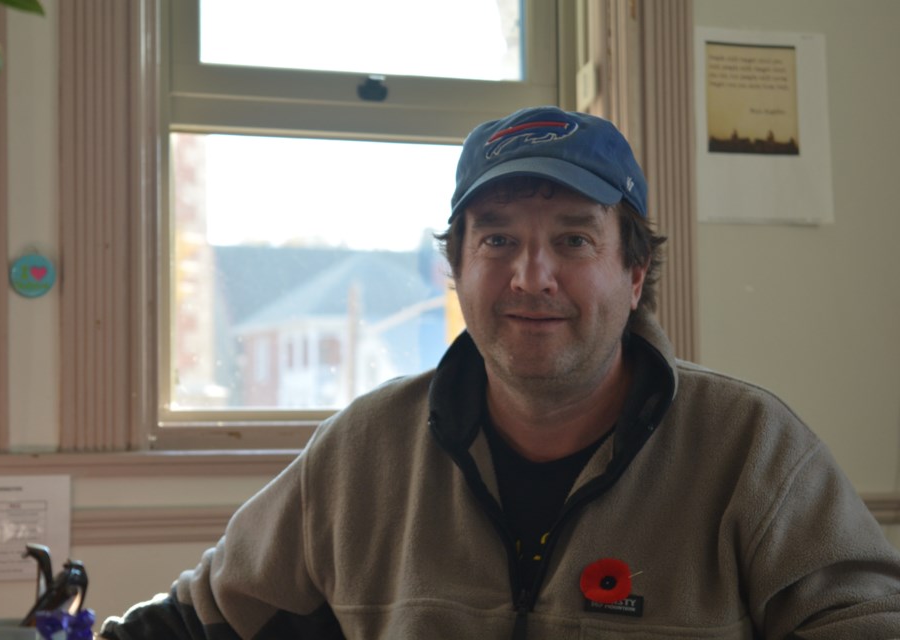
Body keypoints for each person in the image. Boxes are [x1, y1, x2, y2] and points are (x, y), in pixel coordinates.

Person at [99, 106, 900, 639]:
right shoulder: (362, 454)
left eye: (575, 240)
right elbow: (198, 621)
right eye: (497, 239)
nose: (531, 276)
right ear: (456, 268)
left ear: (635, 275)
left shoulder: (752, 452)